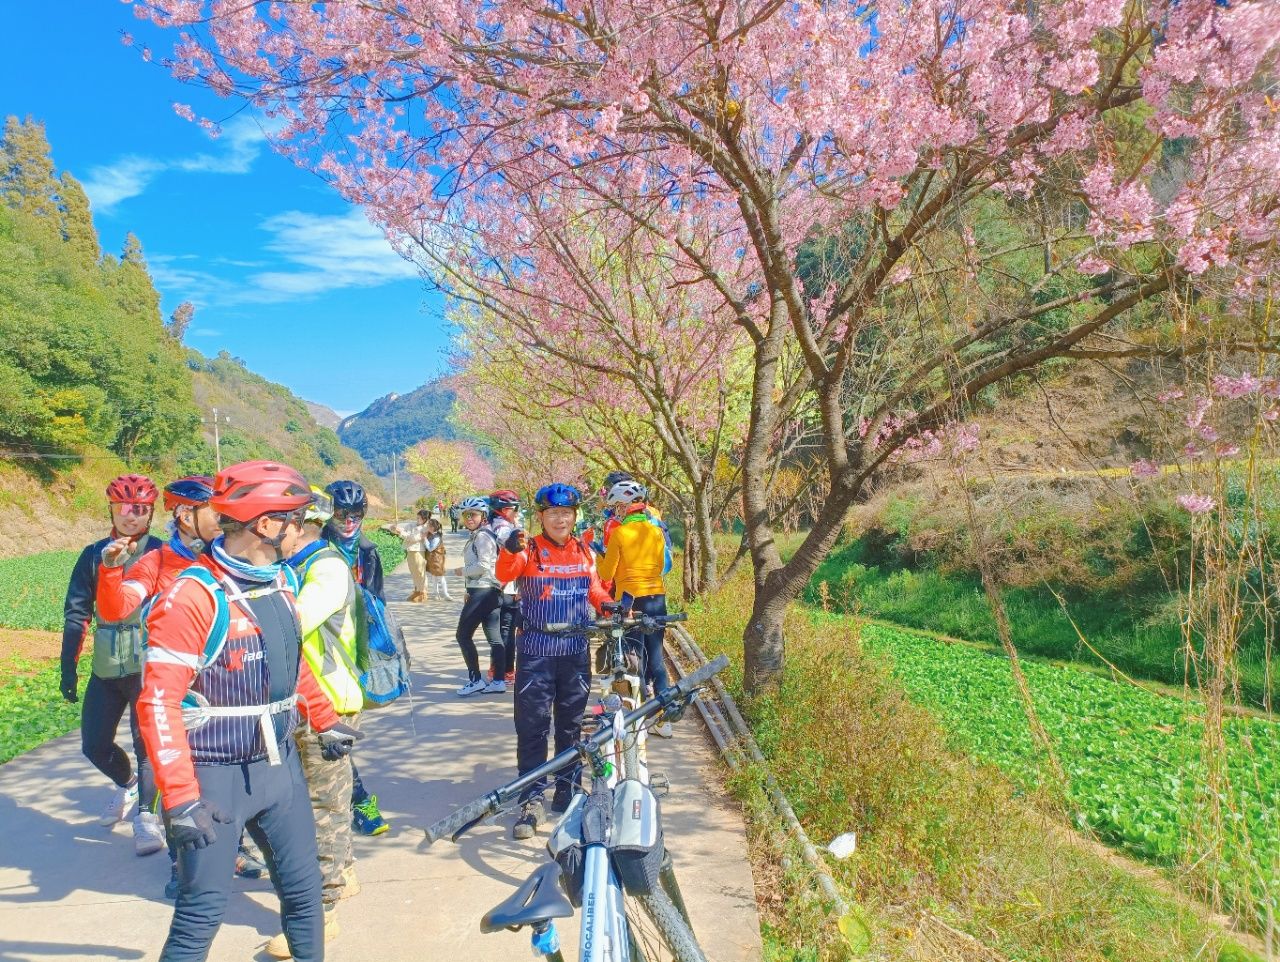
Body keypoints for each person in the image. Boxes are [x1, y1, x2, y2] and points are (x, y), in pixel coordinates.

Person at [136, 460, 360, 962]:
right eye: (296, 518)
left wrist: (324, 718)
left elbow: (289, 659)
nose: (303, 528)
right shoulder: (193, 594)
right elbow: (157, 701)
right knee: (200, 915)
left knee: (305, 899)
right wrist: (179, 798)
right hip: (214, 779)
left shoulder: (279, 579)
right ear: (265, 524)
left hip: (279, 770)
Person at [96, 475, 268, 890]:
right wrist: (111, 571)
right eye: (214, 510)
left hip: (229, 685)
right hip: (182, 693)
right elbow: (119, 607)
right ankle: (183, 866)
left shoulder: (224, 556)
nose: (223, 516)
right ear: (184, 514)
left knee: (230, 776)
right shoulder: (156, 561)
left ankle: (234, 850)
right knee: (183, 780)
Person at [265, 487, 364, 958]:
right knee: (326, 801)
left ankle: (321, 910)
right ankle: (342, 873)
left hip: (327, 703)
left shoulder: (324, 567)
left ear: (297, 525)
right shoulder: (287, 566)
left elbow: (292, 623)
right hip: (295, 702)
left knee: (323, 806)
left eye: (271, 525)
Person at [496, 483, 611, 839]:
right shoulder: (528, 549)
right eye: (552, 513)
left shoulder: (583, 551)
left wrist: (608, 604)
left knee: (571, 726)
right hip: (535, 653)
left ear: (574, 517)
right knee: (532, 728)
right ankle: (531, 799)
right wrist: (508, 548)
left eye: (566, 513)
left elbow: (593, 588)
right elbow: (504, 575)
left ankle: (568, 790)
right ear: (541, 517)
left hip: (575, 653)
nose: (560, 519)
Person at [59, 474, 163, 848]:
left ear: (150, 512)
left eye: (139, 509)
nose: (130, 516)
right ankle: (129, 786)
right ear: (111, 509)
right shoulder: (92, 554)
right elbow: (76, 612)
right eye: (123, 507)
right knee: (94, 744)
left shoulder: (160, 554)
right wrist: (68, 666)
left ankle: (148, 819)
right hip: (105, 665)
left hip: (148, 665)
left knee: (146, 745)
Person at [322, 480, 389, 836]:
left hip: (355, 651)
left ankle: (358, 800)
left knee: (340, 732)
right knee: (329, 734)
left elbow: (378, 603)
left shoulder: (368, 550)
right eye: (341, 513)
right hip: (321, 651)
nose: (349, 521)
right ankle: (360, 800)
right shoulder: (314, 546)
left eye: (356, 514)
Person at [595, 479, 674, 738]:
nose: (615, 510)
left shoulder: (619, 533)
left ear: (624, 506)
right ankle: (665, 717)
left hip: (630, 599)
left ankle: (636, 718)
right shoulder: (656, 530)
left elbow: (607, 573)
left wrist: (599, 553)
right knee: (657, 658)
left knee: (634, 657)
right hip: (657, 596)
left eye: (616, 505)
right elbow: (663, 566)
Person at [451, 495, 507, 696]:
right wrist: (469, 589)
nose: (469, 518)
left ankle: (475, 680)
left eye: (473, 515)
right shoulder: (482, 534)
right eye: (466, 515)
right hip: (487, 591)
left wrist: (461, 571)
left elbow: (484, 565)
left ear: (483, 516)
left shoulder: (482, 536)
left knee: (462, 635)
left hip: (483, 591)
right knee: (494, 638)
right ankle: (498, 680)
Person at [488, 489, 522, 684]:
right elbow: (514, 555)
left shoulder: (493, 525)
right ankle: (506, 670)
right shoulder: (504, 528)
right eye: (513, 508)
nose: (515, 512)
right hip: (506, 586)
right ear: (505, 509)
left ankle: (498, 668)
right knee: (506, 632)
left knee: (500, 630)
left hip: (500, 585)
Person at [382, 509, 429, 602]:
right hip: (410, 550)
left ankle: (423, 592)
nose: (417, 519)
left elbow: (414, 538)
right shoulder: (412, 525)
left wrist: (401, 532)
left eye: (419, 518)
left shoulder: (425, 528)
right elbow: (403, 530)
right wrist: (395, 529)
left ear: (424, 519)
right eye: (417, 517)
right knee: (413, 572)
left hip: (418, 551)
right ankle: (416, 590)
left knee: (420, 571)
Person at [423, 518, 452, 600]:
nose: (427, 526)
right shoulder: (430, 534)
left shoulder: (436, 537)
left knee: (441, 577)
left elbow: (430, 548)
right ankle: (436, 594)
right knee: (433, 577)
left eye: (428, 525)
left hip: (437, 560)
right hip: (431, 559)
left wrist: (424, 538)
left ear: (432, 527)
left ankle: (446, 594)